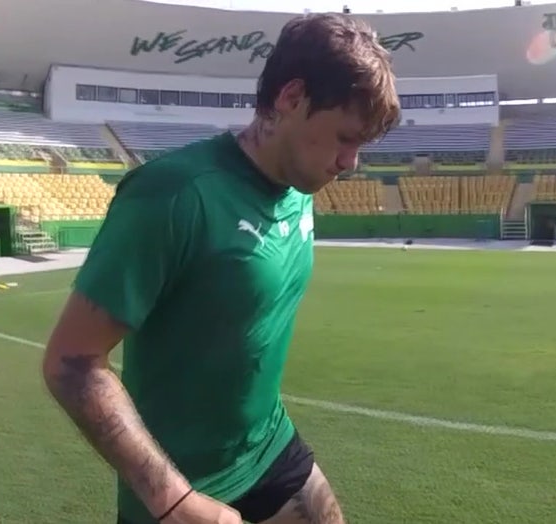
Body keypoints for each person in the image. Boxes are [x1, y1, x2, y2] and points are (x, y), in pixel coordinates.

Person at [41, 12, 400, 524]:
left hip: (267, 447)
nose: (351, 162)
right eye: (345, 137)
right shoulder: (175, 194)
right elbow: (70, 362)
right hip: (178, 483)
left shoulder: (299, 187)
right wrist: (175, 502)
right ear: (291, 98)